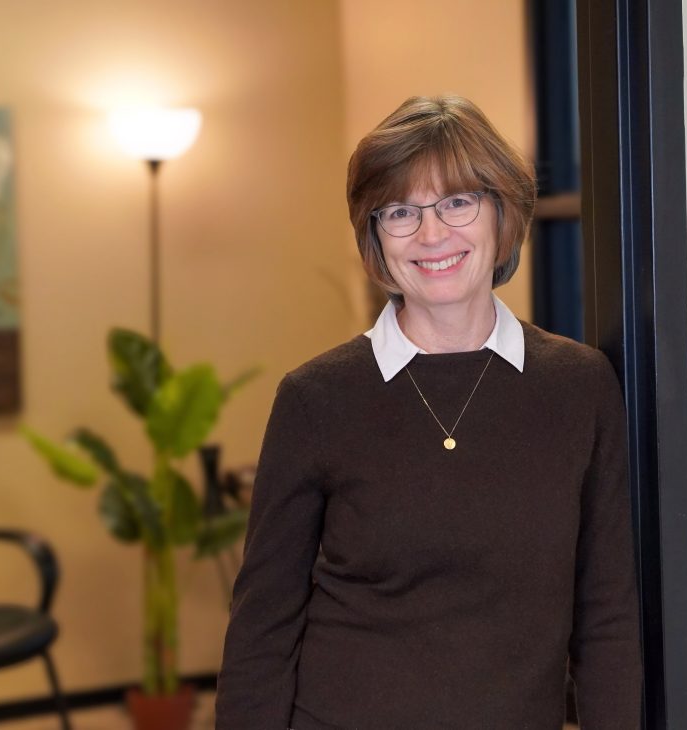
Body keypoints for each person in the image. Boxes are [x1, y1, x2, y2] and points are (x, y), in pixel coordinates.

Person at [216, 95, 641, 729]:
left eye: (458, 202)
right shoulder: (316, 400)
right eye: (400, 212)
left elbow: (607, 612)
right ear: (374, 238)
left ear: (502, 213)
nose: (432, 234)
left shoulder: (580, 386)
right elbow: (263, 627)